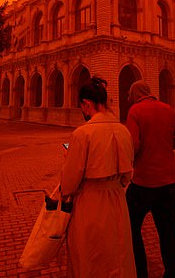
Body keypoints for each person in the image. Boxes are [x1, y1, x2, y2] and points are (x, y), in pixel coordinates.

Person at [61, 76, 136, 277]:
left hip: (90, 203)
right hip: (118, 200)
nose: (83, 112)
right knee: (118, 254)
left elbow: (68, 183)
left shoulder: (82, 133)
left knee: (90, 257)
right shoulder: (123, 130)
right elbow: (128, 174)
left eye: (82, 107)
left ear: (87, 103)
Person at [125, 80, 175, 278]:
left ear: (135, 94)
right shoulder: (167, 109)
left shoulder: (135, 111)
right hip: (169, 182)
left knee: (130, 227)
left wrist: (133, 159)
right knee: (169, 231)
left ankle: (140, 272)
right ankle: (172, 273)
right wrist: (163, 148)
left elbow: (133, 145)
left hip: (143, 183)